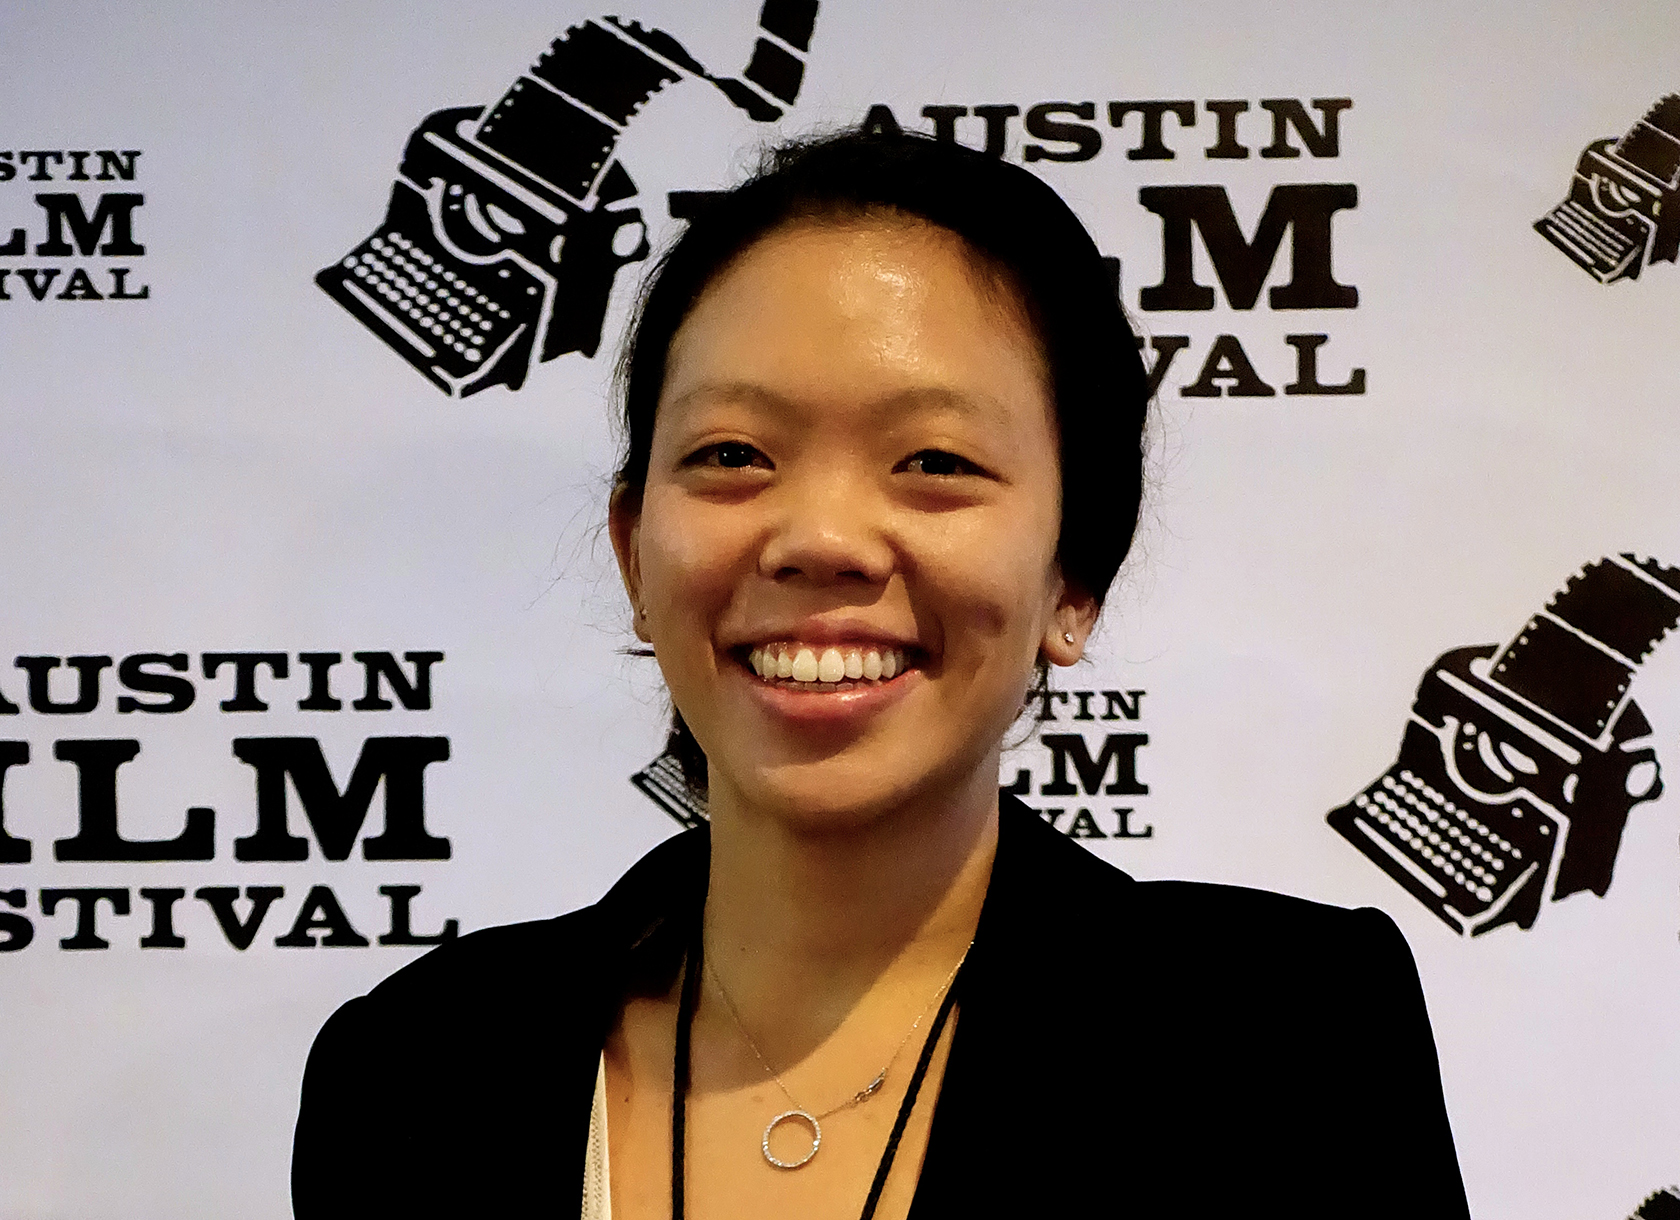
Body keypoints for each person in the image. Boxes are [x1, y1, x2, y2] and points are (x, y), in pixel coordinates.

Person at [291, 127, 1471, 1219]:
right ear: (633, 554)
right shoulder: (411, 1073)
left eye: (934, 460)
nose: (820, 537)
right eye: (732, 454)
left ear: (1075, 579)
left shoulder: (1287, 1043)